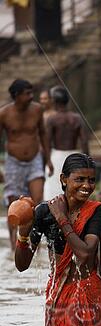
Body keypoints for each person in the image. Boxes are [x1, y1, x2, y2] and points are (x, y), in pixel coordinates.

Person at [14, 153, 101, 326]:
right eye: (80, 179)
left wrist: (62, 218)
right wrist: (23, 231)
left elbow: (85, 254)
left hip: (88, 293)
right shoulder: (43, 212)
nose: (87, 186)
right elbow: (22, 265)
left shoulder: (97, 212)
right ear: (63, 179)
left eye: (91, 180)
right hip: (58, 295)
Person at [0, 79, 52, 250]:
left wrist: (48, 158)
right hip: (13, 162)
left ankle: (33, 240)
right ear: (16, 95)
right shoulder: (4, 113)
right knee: (14, 203)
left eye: (32, 93)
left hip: (35, 159)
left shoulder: (37, 109)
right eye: (27, 93)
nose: (31, 97)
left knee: (37, 201)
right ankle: (14, 245)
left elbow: (43, 134)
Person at [44, 86, 89, 200]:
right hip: (74, 156)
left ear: (54, 101)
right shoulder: (77, 118)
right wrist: (87, 160)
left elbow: (47, 142)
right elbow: (84, 141)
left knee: (54, 192)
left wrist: (48, 161)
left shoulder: (52, 119)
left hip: (57, 157)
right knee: (74, 190)